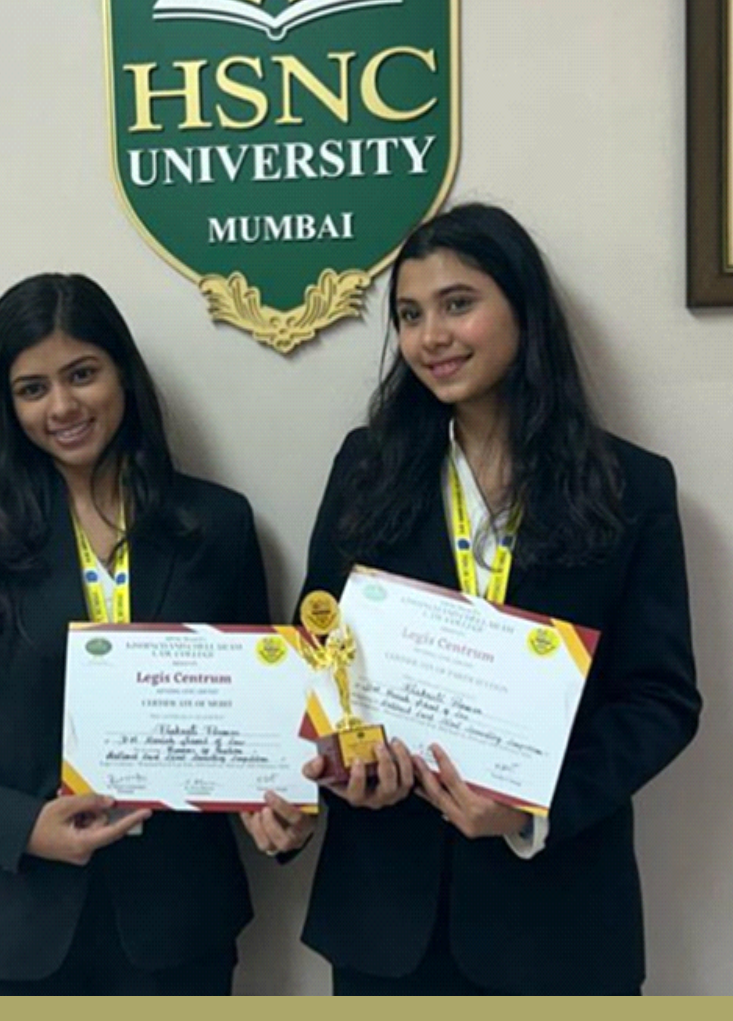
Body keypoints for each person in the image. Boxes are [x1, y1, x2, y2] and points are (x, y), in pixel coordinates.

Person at [291, 203, 701, 995]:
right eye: (409, 315)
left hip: (557, 917)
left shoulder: (629, 486)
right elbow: (321, 646)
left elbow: (659, 698)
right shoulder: (367, 467)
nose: (430, 337)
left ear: (523, 308)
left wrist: (531, 810)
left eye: (457, 304)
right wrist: (348, 761)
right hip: (386, 914)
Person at [0, 273, 283, 995]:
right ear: (5, 403)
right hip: (2, 929)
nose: (62, 406)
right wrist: (20, 826)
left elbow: (256, 716)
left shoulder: (216, 524)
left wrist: (279, 808)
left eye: (82, 374)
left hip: (174, 927)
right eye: (33, 388)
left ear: (123, 374)